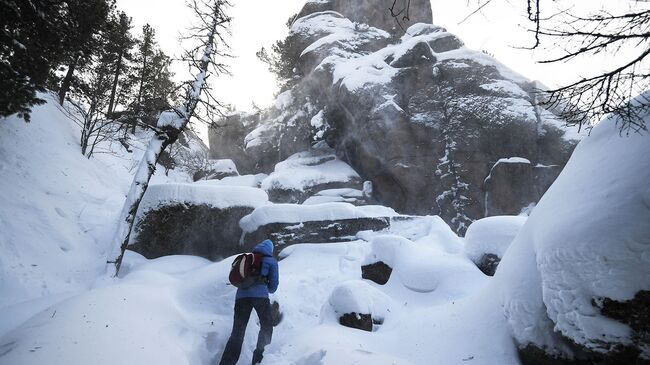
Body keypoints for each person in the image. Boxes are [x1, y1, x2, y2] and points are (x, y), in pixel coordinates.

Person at [219, 239, 279, 365]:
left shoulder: (248, 258)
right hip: (260, 298)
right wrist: (263, 285)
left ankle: (226, 363)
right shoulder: (271, 261)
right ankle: (259, 360)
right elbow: (273, 287)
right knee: (266, 326)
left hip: (241, 297)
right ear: (270, 250)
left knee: (237, 333)